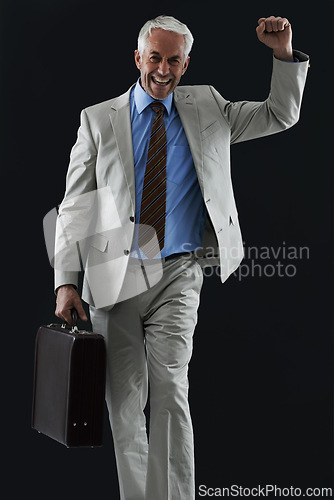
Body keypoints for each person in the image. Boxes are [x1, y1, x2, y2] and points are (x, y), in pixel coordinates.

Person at [54, 14, 309, 500]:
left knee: (171, 392)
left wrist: (282, 55)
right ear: (138, 58)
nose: (164, 70)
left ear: (186, 63)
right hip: (116, 277)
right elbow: (74, 207)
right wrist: (67, 280)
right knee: (125, 408)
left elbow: (280, 114)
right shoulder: (98, 119)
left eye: (174, 60)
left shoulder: (208, 106)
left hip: (179, 274)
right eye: (155, 58)